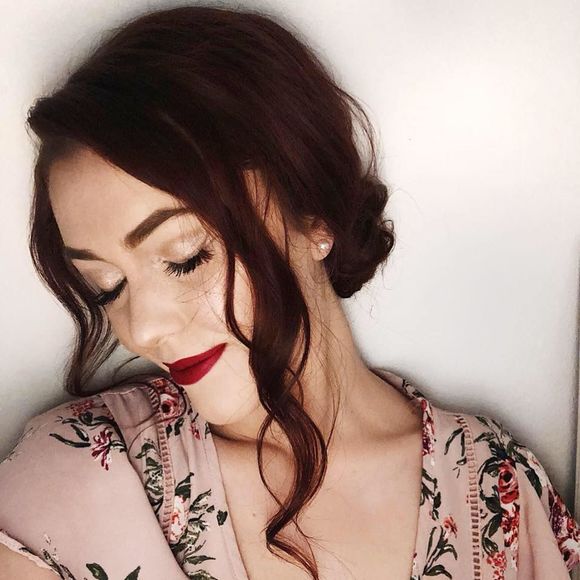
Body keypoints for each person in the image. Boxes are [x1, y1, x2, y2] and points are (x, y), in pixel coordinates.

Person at [0, 5, 578, 580]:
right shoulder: (75, 476)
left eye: (185, 257)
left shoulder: (496, 493)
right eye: (106, 287)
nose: (143, 328)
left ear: (313, 215)